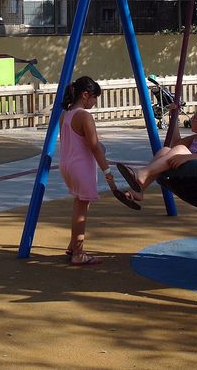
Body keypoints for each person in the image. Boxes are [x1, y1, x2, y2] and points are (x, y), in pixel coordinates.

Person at [58, 76, 134, 266]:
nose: (95, 103)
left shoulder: (65, 114)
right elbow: (94, 147)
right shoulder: (84, 116)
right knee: (82, 210)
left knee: (79, 204)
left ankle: (73, 245)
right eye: (94, 98)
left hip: (67, 165)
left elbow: (78, 141)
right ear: (85, 95)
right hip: (81, 167)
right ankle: (78, 253)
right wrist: (107, 172)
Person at [116, 104, 197, 202]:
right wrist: (173, 118)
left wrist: (188, 157)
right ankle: (139, 190)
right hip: (187, 173)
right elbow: (175, 144)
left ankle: (143, 172)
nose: (191, 118)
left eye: (194, 117)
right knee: (165, 150)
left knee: (180, 149)